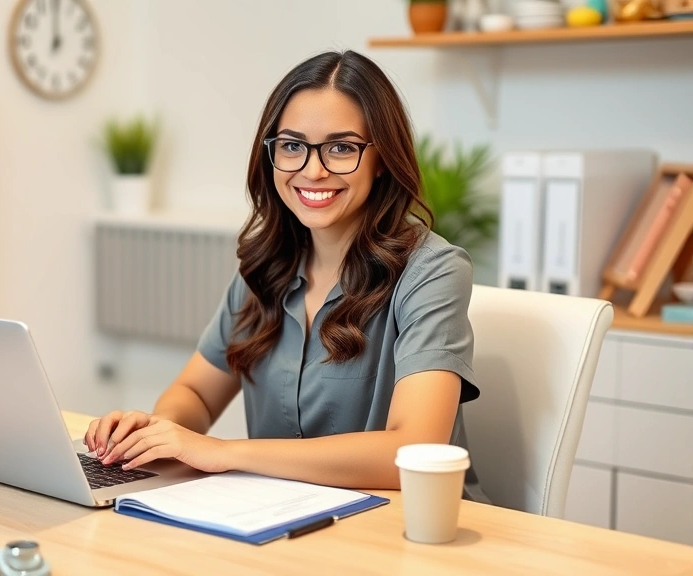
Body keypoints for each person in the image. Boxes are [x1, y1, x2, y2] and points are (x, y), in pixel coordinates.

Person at [85, 50, 487, 500]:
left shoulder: (432, 272)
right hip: (278, 517)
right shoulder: (266, 267)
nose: (313, 170)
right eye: (293, 146)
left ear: (381, 160)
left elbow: (416, 449)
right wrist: (157, 433)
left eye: (341, 148)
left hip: (407, 529)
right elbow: (196, 393)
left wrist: (224, 452)